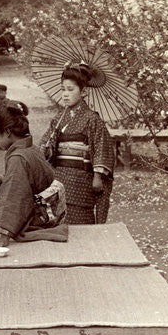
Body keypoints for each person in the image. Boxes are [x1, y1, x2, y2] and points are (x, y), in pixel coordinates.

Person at [0, 101, 62, 248]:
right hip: (41, 208)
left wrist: (4, 236)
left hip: (36, 216)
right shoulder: (31, 148)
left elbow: (15, 196)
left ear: (8, 132)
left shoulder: (18, 158)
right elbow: (21, 186)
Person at [40, 64, 115, 224]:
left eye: (70, 89)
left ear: (83, 92)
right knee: (59, 219)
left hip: (81, 180)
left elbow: (102, 148)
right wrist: (48, 145)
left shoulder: (92, 119)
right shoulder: (59, 118)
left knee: (81, 223)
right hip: (60, 177)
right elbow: (45, 148)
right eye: (63, 89)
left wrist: (97, 177)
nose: (65, 94)